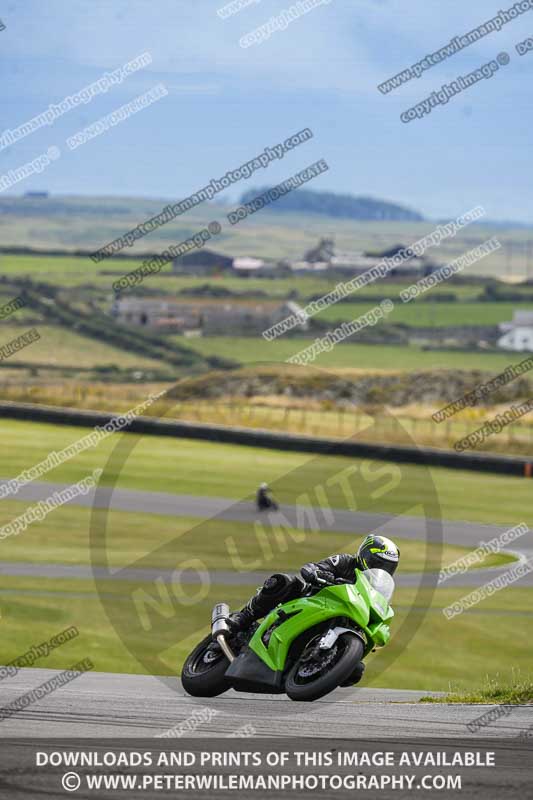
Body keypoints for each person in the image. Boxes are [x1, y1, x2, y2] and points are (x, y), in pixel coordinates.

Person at [229, 534, 400, 633]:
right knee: (283, 581)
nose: (382, 569)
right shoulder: (345, 561)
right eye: (378, 563)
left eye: (388, 567)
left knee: (356, 671)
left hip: (339, 617)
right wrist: (319, 574)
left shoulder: (376, 587)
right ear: (365, 556)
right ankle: (245, 615)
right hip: (311, 599)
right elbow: (311, 568)